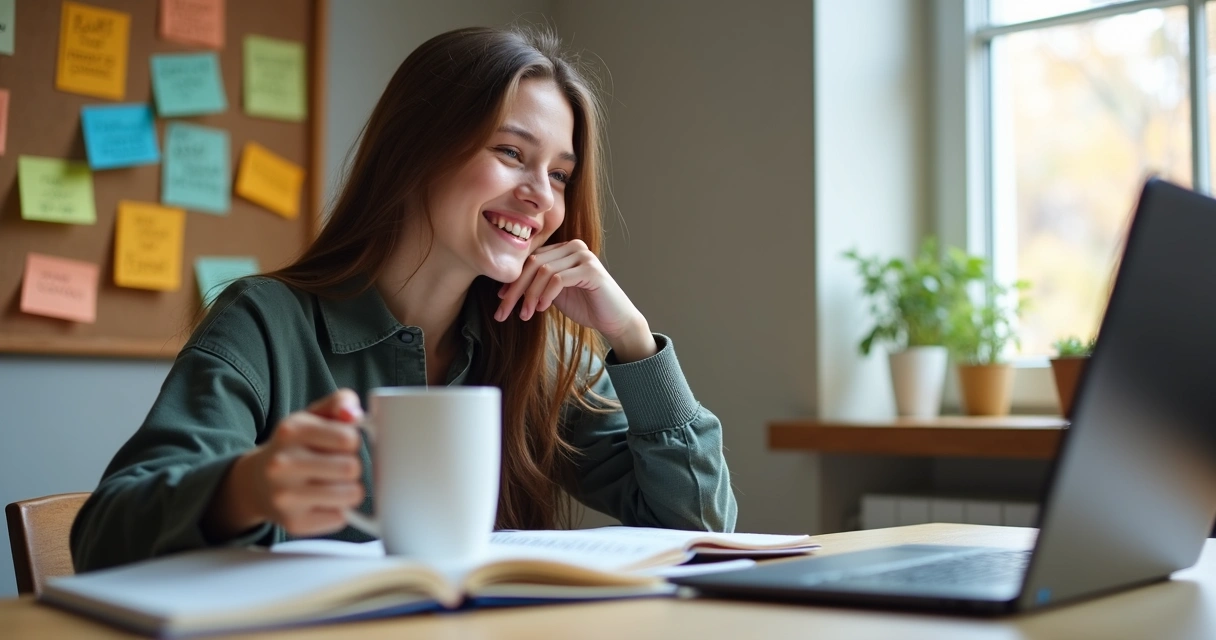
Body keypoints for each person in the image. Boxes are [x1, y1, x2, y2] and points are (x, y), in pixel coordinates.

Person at [71, 25, 737, 572]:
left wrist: (632, 338)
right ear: (418, 149)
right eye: (511, 152)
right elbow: (103, 536)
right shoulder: (264, 321)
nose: (542, 197)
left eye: (560, 176)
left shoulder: (540, 346)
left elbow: (703, 526)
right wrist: (245, 486)